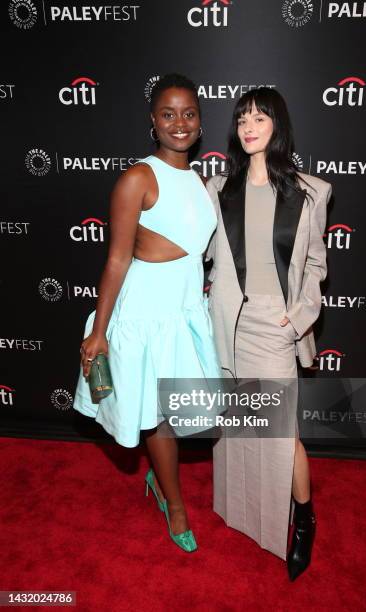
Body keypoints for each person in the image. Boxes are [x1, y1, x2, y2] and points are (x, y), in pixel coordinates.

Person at [73, 73, 220, 553]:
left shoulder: (198, 181)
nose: (180, 123)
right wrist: (100, 329)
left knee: (178, 410)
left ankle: (161, 484)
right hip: (145, 314)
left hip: (183, 311)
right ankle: (174, 502)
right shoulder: (138, 177)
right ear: (152, 122)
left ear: (200, 122)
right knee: (157, 415)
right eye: (168, 114)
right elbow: (117, 258)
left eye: (189, 114)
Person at [205, 87, 332, 580]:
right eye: (242, 119)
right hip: (231, 327)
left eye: (259, 117)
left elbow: (316, 263)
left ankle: (303, 518)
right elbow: (201, 253)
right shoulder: (219, 190)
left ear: (277, 124)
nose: (249, 126)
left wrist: (298, 317)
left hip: (275, 327)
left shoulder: (311, 191)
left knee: (282, 434)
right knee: (239, 429)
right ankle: (245, 512)